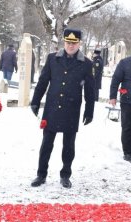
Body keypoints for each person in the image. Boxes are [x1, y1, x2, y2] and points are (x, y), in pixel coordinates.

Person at [29, 28, 95, 189]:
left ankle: (65, 175)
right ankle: (41, 174)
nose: (70, 46)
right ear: (63, 42)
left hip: (72, 109)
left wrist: (89, 111)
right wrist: (35, 101)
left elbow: (90, 90)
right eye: (68, 42)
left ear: (79, 43)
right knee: (46, 144)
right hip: (52, 108)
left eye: (74, 43)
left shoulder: (86, 63)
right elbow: (43, 81)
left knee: (69, 145)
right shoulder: (53, 59)